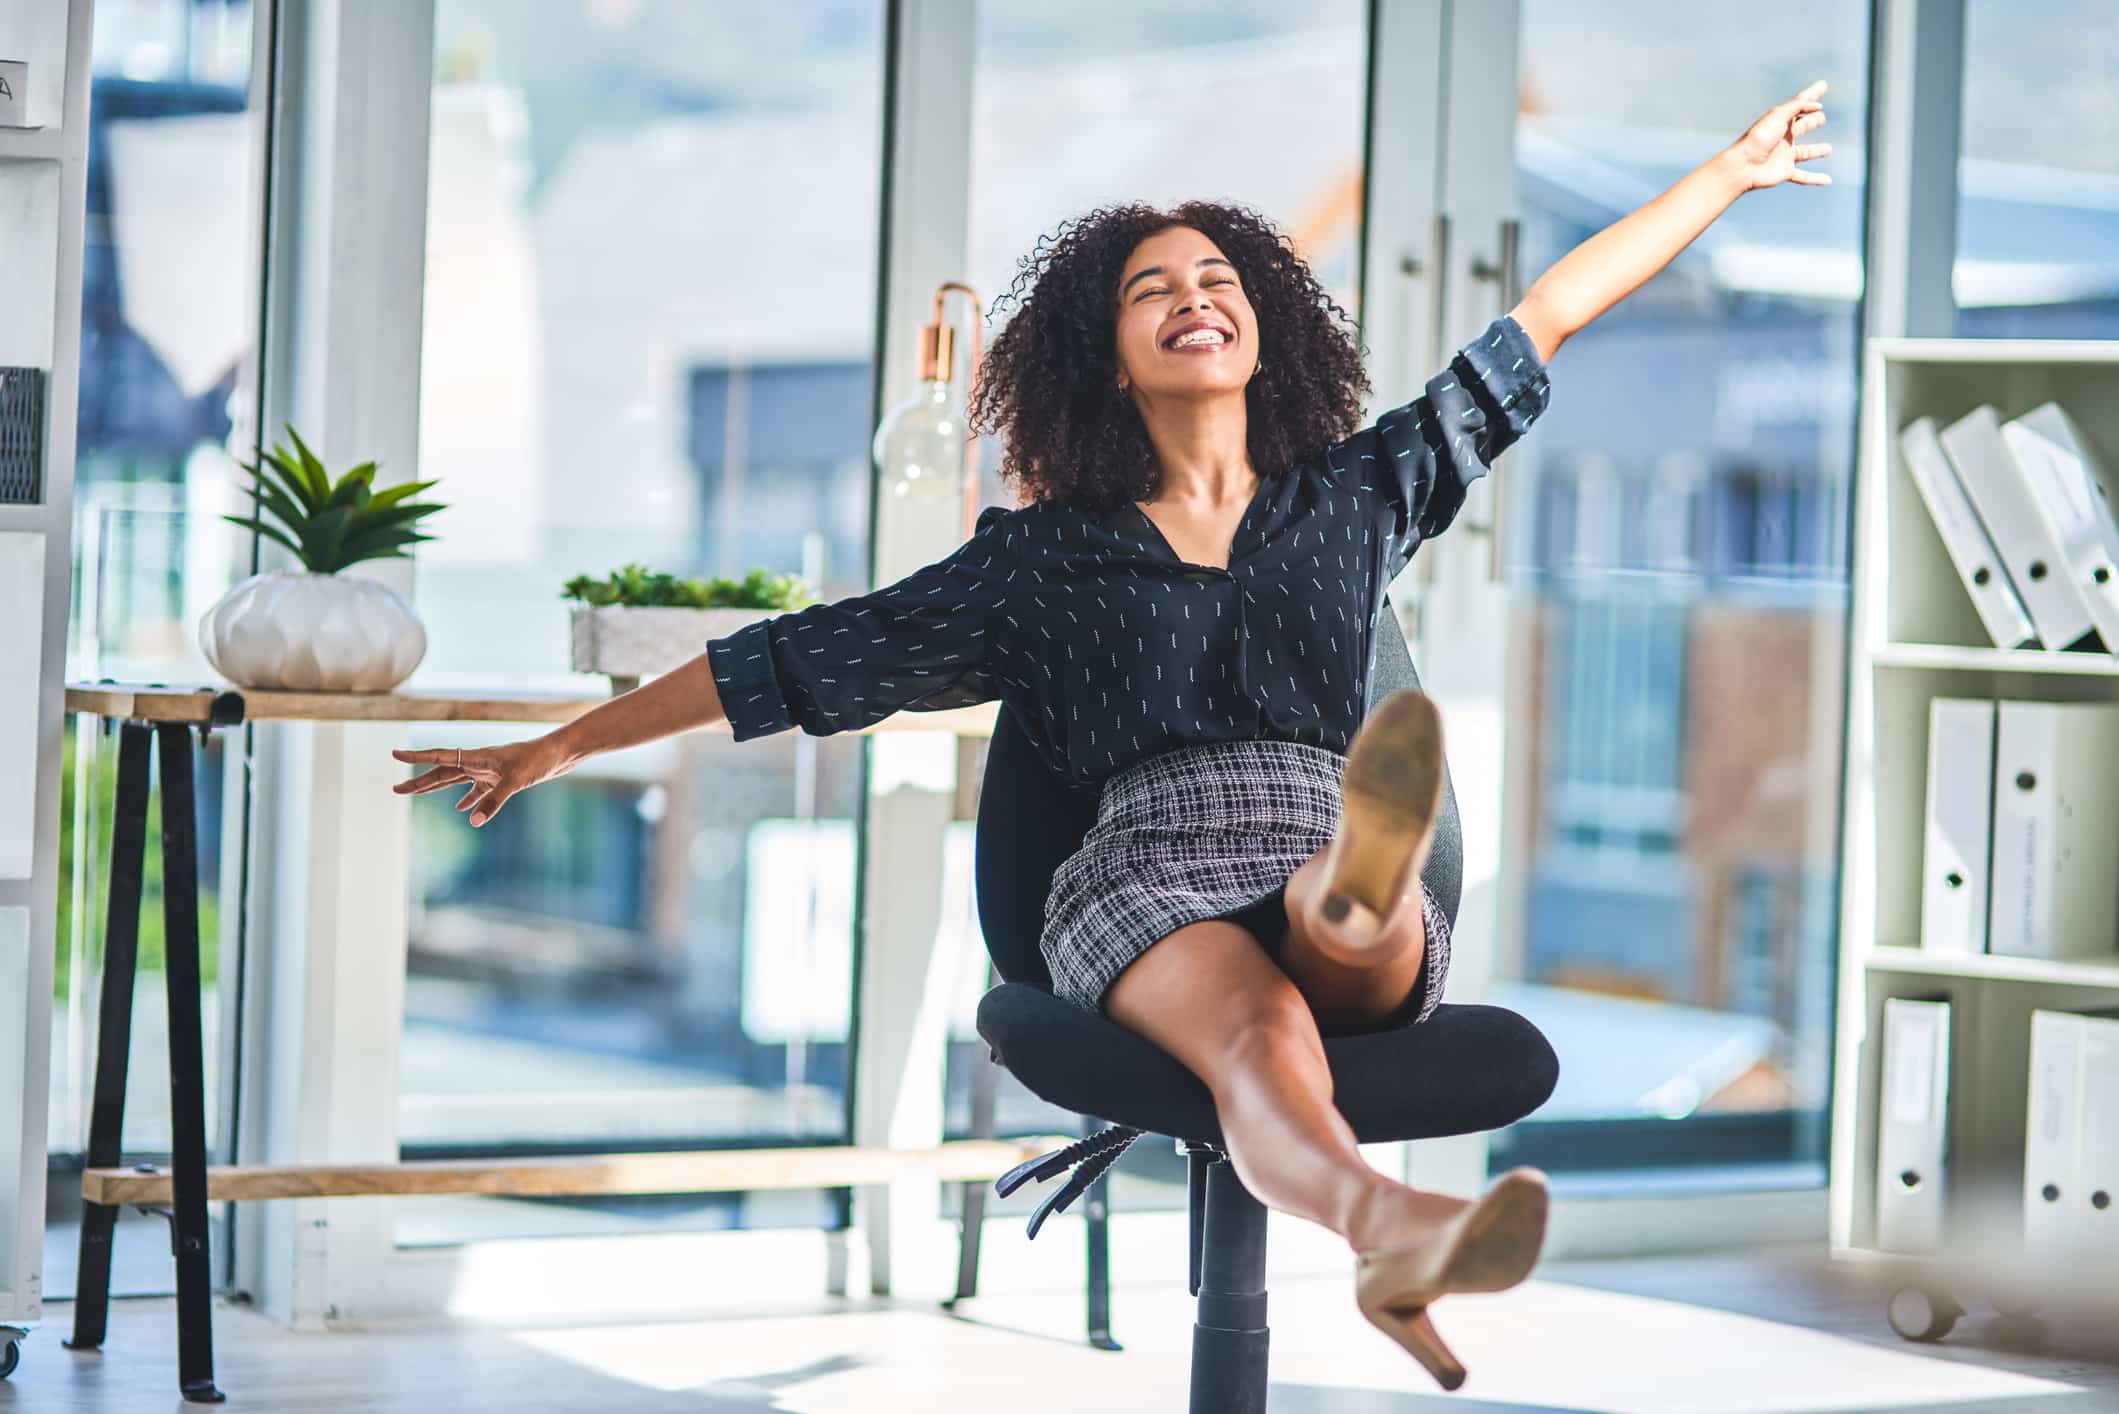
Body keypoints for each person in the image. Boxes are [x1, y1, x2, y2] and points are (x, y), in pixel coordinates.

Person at [392, 80, 1831, 1390]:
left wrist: (1727, 173)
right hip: (1142, 871)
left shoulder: (1355, 495)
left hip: (1310, 829)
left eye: (1218, 277)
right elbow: (800, 658)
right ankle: (1384, 1217)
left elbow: (1551, 317)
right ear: (1110, 353)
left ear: (1267, 320)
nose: (1192, 296)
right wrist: (562, 744)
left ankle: (1361, 888)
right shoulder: (1043, 556)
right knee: (1260, 1027)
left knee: (1351, 925)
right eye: (1154, 289)